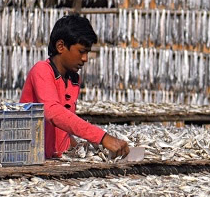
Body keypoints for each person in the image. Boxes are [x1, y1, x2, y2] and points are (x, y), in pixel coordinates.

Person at [20, 13, 129, 160]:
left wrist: (76, 146)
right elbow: (53, 112)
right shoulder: (42, 70)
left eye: (87, 52)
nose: (85, 59)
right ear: (61, 46)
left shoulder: (73, 79)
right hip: (30, 157)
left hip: (55, 160)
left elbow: (64, 123)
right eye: (81, 51)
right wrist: (102, 137)